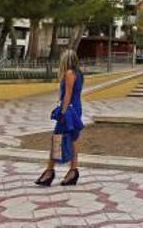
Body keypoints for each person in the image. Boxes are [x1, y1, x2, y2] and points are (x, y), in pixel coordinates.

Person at [35, 50, 84, 187]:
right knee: (73, 139)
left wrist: (62, 112)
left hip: (68, 110)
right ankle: (73, 171)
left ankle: (50, 171)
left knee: (57, 139)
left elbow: (67, 95)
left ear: (66, 60)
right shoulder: (79, 74)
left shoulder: (69, 74)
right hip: (76, 109)